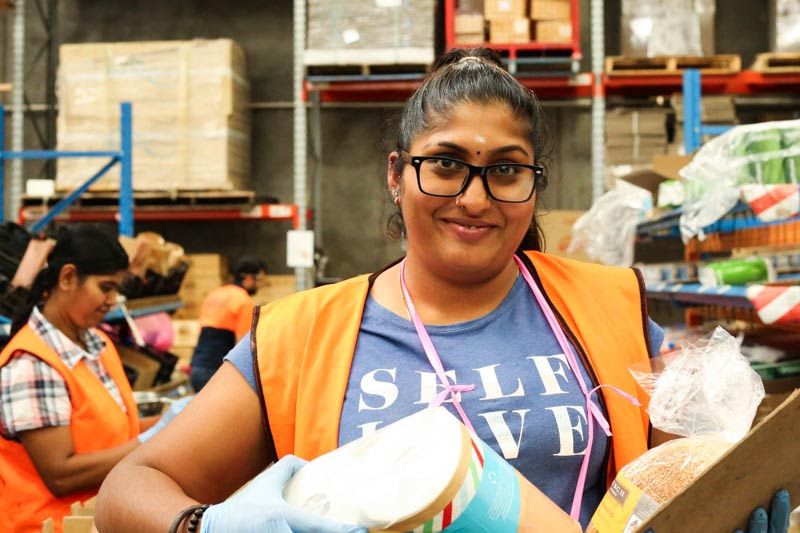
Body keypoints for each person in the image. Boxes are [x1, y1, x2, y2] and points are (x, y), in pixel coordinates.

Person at [94, 48, 789, 533]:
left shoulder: (607, 303)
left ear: (533, 182)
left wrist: (725, 505)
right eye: (447, 164)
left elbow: (690, 471)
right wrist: (205, 524)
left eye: (506, 170)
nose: (475, 198)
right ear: (397, 174)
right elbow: (127, 489)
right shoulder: (303, 332)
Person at [0, 225, 188, 533]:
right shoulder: (33, 363)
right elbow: (61, 475)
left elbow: (116, 431)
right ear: (67, 277)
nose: (112, 300)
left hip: (101, 518)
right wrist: (154, 440)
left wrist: (172, 421)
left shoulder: (97, 345)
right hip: (47, 526)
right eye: (105, 287)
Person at [189, 256, 266, 391]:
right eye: (258, 280)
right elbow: (243, 344)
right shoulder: (244, 301)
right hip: (217, 372)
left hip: (197, 368)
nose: (259, 285)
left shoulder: (215, 294)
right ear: (248, 278)